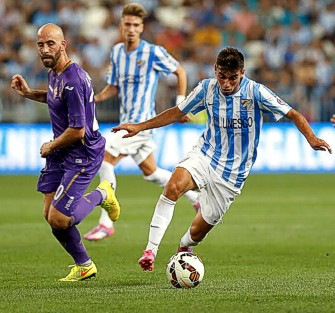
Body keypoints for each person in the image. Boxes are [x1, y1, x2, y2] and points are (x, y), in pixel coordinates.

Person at [112, 47, 332, 271]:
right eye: (222, 77)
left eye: (232, 78)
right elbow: (177, 112)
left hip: (232, 174)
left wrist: (312, 139)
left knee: (196, 233)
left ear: (242, 73)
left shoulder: (256, 92)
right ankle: (150, 250)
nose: (226, 83)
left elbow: (293, 113)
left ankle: (183, 252)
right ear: (215, 70)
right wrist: (140, 126)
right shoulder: (206, 88)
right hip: (205, 154)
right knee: (173, 187)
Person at [11, 23, 121, 281]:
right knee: (50, 215)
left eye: (50, 44)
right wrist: (29, 93)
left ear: (64, 44)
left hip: (82, 152)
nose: (45, 49)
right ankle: (84, 265)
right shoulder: (55, 72)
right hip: (62, 151)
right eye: (40, 44)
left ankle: (102, 193)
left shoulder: (74, 79)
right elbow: (53, 97)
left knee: (60, 218)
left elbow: (78, 130)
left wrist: (50, 145)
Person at [83, 3, 200, 241]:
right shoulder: (116, 52)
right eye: (127, 24)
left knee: (103, 158)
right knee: (151, 171)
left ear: (142, 27)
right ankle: (196, 199)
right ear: (121, 26)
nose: (131, 29)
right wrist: (94, 98)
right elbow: (113, 87)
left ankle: (106, 223)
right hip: (126, 122)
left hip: (143, 124)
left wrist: (179, 104)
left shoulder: (152, 52)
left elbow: (180, 72)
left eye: (136, 25)